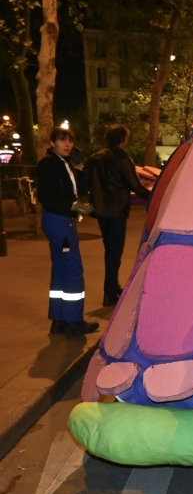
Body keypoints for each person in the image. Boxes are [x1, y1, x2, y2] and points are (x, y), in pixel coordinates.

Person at [37, 127, 99, 336]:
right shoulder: (49, 164)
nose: (67, 145)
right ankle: (73, 321)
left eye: (70, 141)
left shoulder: (64, 164)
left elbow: (80, 188)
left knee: (61, 269)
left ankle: (59, 321)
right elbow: (47, 196)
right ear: (52, 142)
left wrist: (80, 167)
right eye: (62, 140)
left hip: (59, 221)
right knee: (72, 269)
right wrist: (73, 207)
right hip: (60, 223)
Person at [84, 125, 150, 307]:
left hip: (100, 211)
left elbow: (83, 182)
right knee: (115, 252)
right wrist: (155, 195)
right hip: (117, 211)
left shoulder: (94, 159)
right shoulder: (123, 159)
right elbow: (135, 186)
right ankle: (109, 292)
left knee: (110, 250)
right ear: (123, 139)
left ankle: (113, 286)